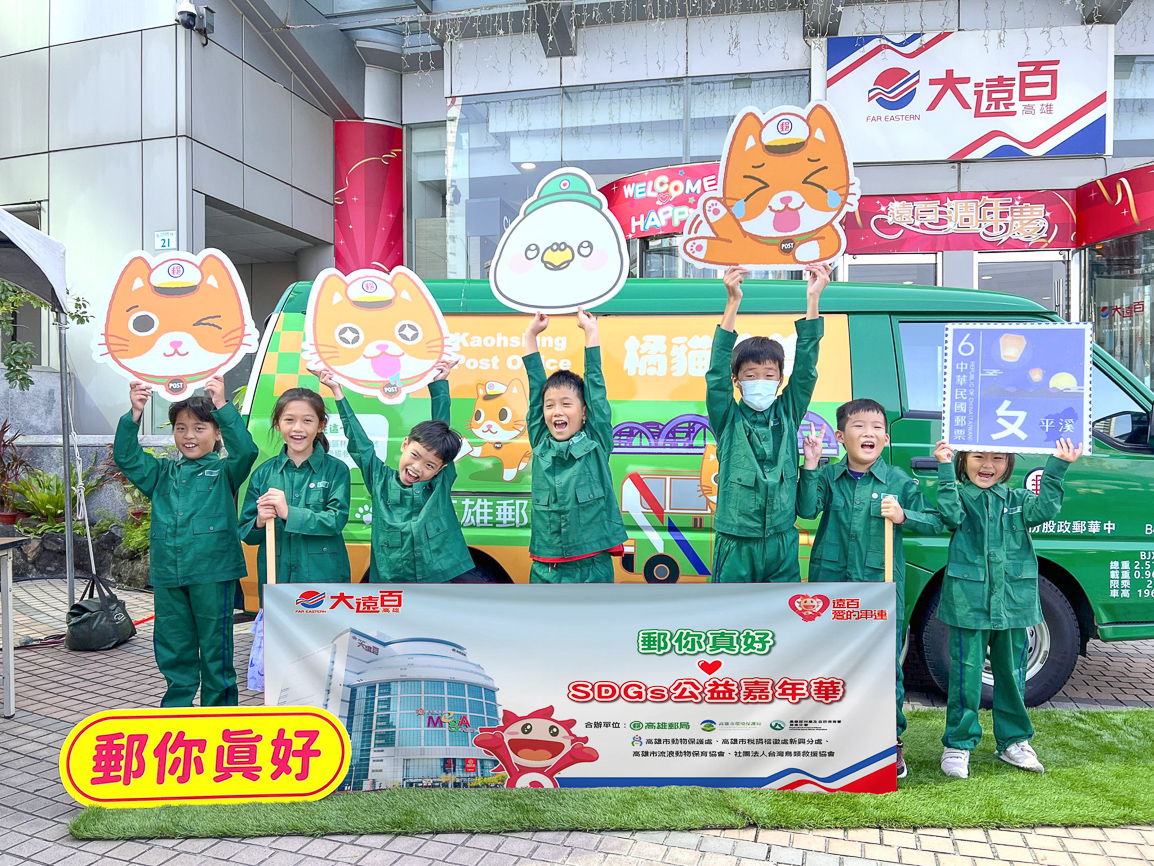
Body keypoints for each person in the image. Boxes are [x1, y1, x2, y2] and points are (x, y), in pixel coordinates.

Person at [798, 399, 943, 778]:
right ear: (840, 436)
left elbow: (935, 521)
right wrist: (810, 464)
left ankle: (888, 741)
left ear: (886, 438)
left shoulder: (898, 480)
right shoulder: (829, 476)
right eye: (859, 426)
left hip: (880, 588)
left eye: (877, 427)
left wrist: (904, 515)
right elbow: (807, 510)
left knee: (882, 666)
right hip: (830, 588)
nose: (869, 433)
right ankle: (832, 737)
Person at [933, 438, 1082, 779]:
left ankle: (1013, 741)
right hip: (968, 602)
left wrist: (1058, 465)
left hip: (1014, 603)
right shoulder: (958, 496)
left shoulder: (1018, 500)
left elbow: (1046, 509)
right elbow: (950, 515)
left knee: (1013, 676)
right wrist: (943, 467)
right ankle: (958, 744)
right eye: (978, 456)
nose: (988, 465)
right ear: (963, 460)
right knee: (965, 677)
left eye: (998, 457)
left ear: (1008, 463)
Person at [113, 375, 258, 707]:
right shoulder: (161, 474)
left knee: (215, 647)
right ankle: (176, 710)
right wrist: (134, 413)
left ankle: (219, 714)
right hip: (169, 573)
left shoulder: (225, 472)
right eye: (181, 428)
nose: (189, 436)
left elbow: (247, 450)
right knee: (173, 645)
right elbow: (127, 457)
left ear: (217, 433)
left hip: (213, 573)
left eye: (199, 428)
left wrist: (221, 404)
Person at [706, 263, 830, 582]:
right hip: (737, 540)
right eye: (750, 375)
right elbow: (716, 375)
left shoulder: (788, 412)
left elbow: (806, 371)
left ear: (779, 380)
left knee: (782, 610)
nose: (760, 381)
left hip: (781, 540)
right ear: (736, 381)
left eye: (768, 375)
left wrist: (813, 299)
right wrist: (732, 301)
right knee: (731, 610)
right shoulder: (728, 419)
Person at [314, 360, 476, 582]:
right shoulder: (379, 480)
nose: (417, 468)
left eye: (429, 465)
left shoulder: (439, 483)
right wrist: (337, 391)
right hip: (391, 583)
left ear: (441, 469)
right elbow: (360, 444)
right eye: (415, 455)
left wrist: (439, 384)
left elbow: (441, 429)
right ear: (405, 444)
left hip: (435, 581)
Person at [523, 308, 627, 583]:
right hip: (547, 569)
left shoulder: (596, 441)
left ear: (584, 413)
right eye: (550, 406)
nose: (556, 411)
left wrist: (591, 332)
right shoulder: (540, 441)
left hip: (592, 567)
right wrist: (531, 336)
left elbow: (595, 387)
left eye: (566, 404)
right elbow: (535, 388)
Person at [238, 387, 351, 603]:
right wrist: (259, 521)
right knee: (278, 626)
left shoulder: (337, 470)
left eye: (307, 420)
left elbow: (336, 520)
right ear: (277, 423)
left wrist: (288, 513)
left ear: (321, 425)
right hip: (277, 579)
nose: (298, 428)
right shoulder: (263, 473)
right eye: (289, 420)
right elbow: (247, 534)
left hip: (323, 579)